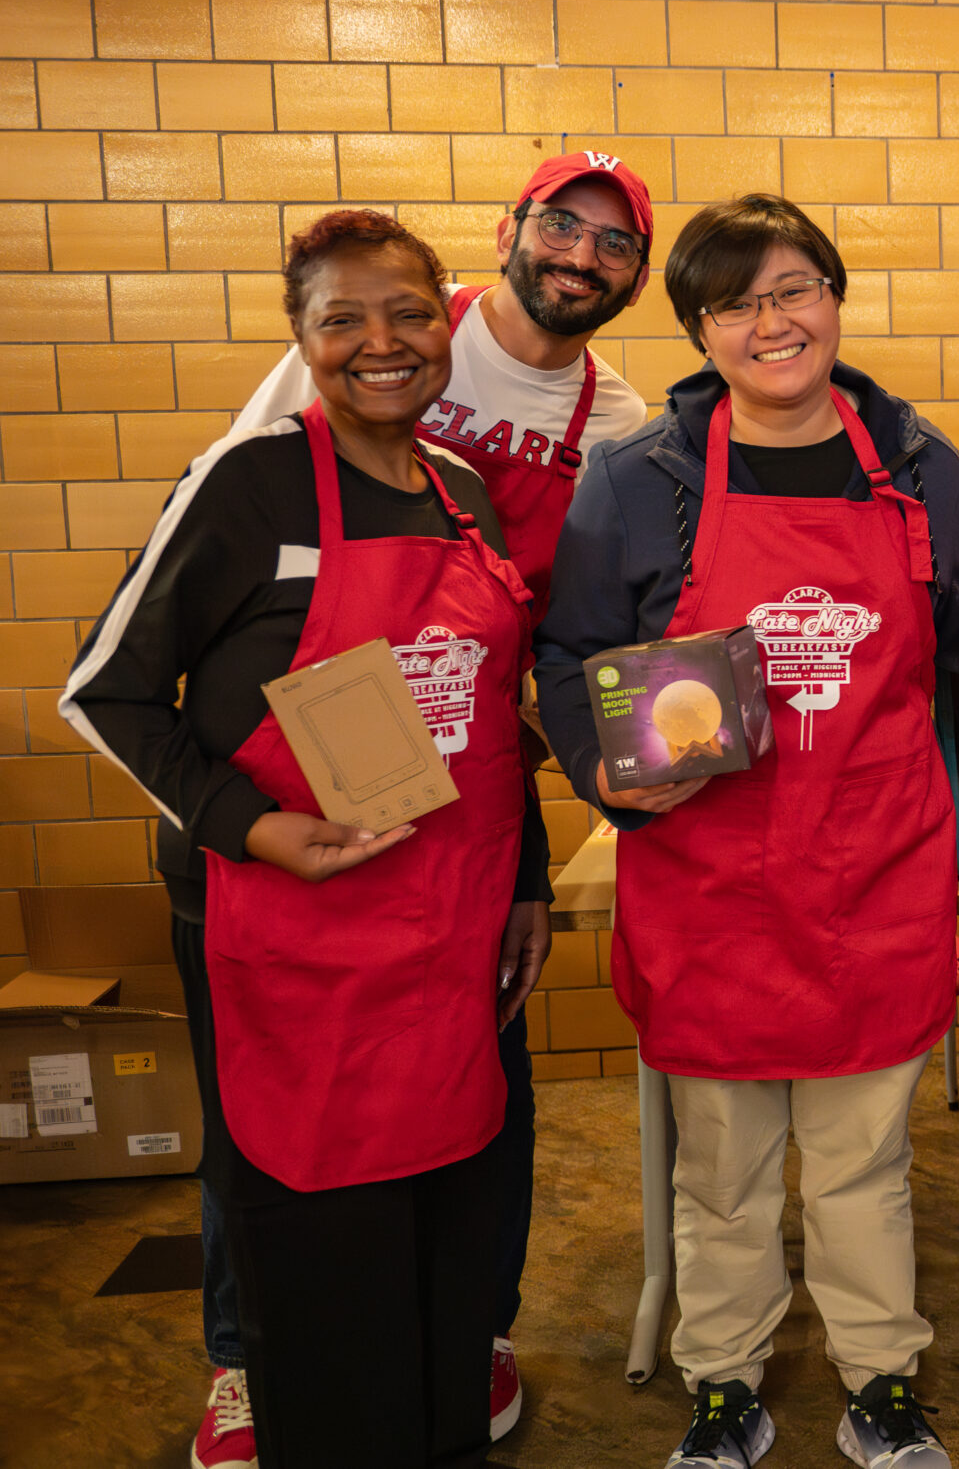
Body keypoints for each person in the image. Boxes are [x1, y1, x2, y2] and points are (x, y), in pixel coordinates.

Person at [60, 210, 547, 1469]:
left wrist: (530, 885)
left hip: (449, 936)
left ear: (448, 321)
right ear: (303, 341)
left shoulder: (469, 493)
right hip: (292, 939)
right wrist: (251, 825)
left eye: (406, 313)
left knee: (444, 1241)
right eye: (342, 320)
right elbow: (103, 690)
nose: (379, 343)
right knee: (321, 1257)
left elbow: (492, 720)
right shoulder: (247, 482)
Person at [209, 149, 656, 1459]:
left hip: (466, 778)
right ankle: (248, 1353)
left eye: (612, 241)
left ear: (632, 273)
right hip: (302, 770)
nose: (580, 253)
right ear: (512, 229)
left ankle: (468, 1324)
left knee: (478, 1087)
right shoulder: (393, 323)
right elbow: (242, 503)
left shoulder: (614, 419)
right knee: (276, 1086)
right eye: (560, 224)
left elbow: (589, 622)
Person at [535, 193, 959, 1469]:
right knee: (721, 1171)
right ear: (698, 330)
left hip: (874, 874)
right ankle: (723, 1382)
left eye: (793, 289)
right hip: (710, 882)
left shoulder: (914, 462)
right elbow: (568, 653)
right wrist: (608, 778)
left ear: (833, 301)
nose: (769, 321)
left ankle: (880, 1380)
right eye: (734, 302)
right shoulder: (640, 478)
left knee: (863, 1166)